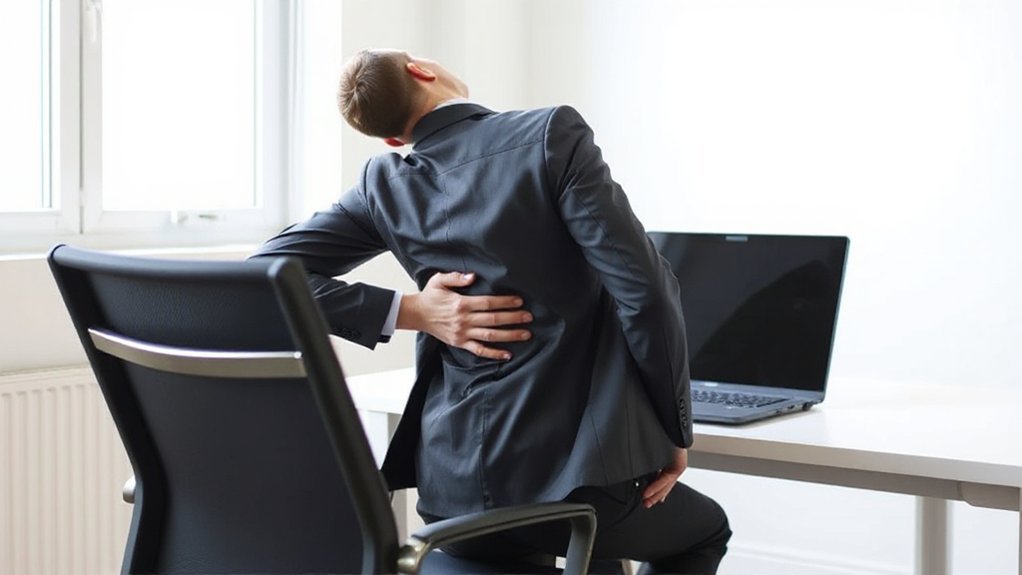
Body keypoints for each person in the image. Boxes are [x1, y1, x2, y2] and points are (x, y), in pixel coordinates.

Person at [253, 49, 731, 574]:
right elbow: (646, 293)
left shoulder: (383, 183)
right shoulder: (549, 136)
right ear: (420, 69)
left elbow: (264, 273)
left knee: (599, 557)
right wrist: (672, 429)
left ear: (393, 139)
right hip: (571, 481)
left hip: (453, 493)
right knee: (704, 531)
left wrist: (408, 309)